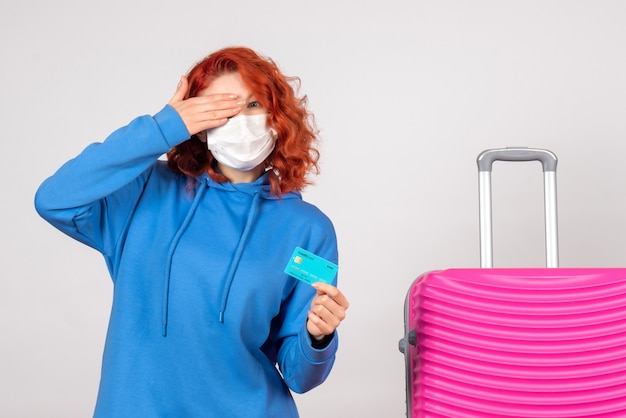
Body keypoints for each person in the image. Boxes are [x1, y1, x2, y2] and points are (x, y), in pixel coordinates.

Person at [34, 46, 349, 418]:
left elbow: (300, 375)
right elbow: (54, 200)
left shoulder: (308, 230)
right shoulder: (146, 192)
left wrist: (319, 337)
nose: (241, 120)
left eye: (252, 106)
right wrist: (163, 128)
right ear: (197, 125)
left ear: (276, 118)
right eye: (222, 108)